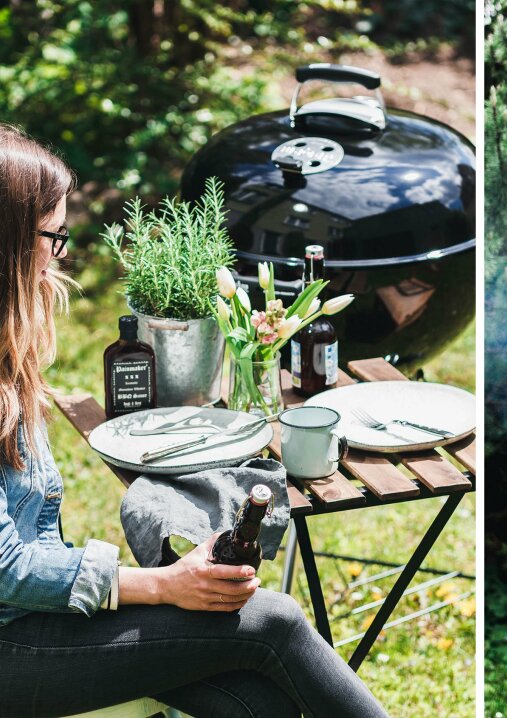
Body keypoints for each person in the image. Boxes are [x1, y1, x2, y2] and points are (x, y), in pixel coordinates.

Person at [0, 123, 390, 718]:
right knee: (275, 622)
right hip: (13, 646)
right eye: (53, 234)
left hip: (35, 620)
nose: (62, 255)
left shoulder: (9, 360)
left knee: (257, 703)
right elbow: (6, 570)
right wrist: (161, 585)